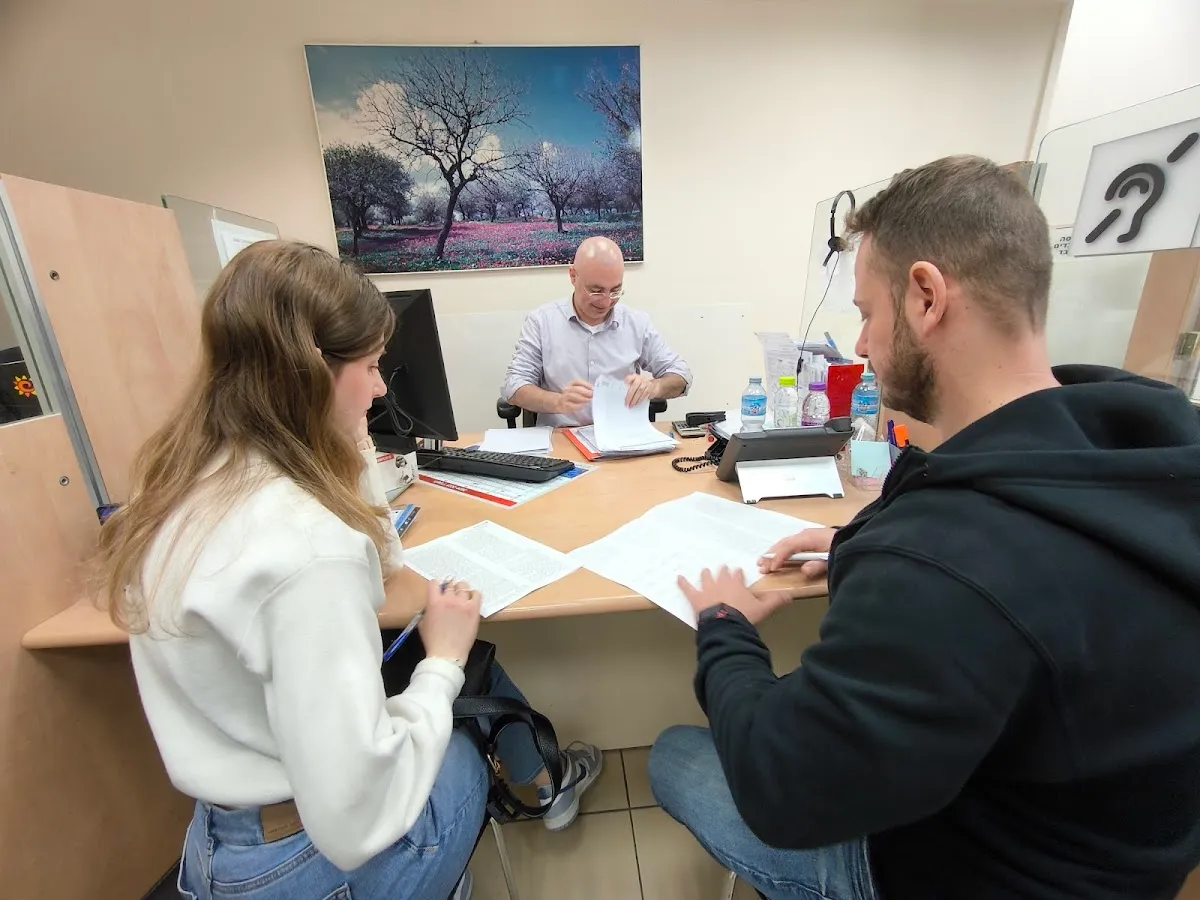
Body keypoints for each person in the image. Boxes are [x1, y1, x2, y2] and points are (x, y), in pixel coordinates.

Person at [648, 156, 1200, 899]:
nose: (862, 345)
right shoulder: (1149, 456)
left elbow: (782, 789)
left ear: (927, 297)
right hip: (1113, 864)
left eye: (866, 313)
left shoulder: (946, 561)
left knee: (675, 755)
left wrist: (724, 628)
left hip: (952, 871)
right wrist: (856, 544)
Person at [94, 241, 601, 900]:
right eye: (370, 367)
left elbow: (382, 564)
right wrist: (444, 663)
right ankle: (475, 840)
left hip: (222, 840)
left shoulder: (180, 485)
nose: (383, 388)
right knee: (459, 726)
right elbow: (357, 818)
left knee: (439, 674)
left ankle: (521, 794)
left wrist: (349, 435)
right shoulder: (309, 549)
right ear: (308, 374)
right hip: (312, 854)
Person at [500, 236, 692, 426]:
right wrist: (556, 401)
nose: (606, 301)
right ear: (573, 276)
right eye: (596, 291)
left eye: (615, 290)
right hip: (561, 437)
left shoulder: (636, 323)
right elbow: (513, 385)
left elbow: (681, 375)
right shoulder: (541, 322)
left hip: (621, 436)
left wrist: (654, 387)